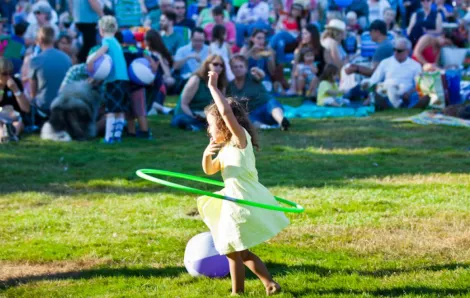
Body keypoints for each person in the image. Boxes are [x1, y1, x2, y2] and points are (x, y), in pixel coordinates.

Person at [199, 70, 289, 295]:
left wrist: (212, 87)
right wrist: (206, 155)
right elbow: (210, 171)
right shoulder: (226, 149)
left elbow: (226, 112)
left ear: (224, 124)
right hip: (235, 201)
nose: (208, 130)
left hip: (242, 201)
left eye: (211, 124)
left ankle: (237, 292)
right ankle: (269, 283)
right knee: (240, 252)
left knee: (232, 250)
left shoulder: (240, 141)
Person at [87, 16, 129, 144]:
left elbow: (103, 50)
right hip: (124, 79)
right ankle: (117, 136)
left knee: (111, 110)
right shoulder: (116, 42)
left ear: (101, 30)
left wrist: (92, 60)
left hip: (113, 80)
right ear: (115, 29)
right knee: (120, 110)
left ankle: (108, 138)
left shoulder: (107, 41)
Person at [227, 55, 290, 130]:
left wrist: (257, 70)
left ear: (246, 68)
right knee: (245, 117)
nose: (238, 69)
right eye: (235, 67)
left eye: (241, 66)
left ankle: (282, 122)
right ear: (231, 69)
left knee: (272, 103)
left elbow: (261, 76)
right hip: (252, 114)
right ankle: (266, 128)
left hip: (266, 107)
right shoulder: (230, 86)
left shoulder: (252, 76)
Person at [361, 38, 423, 109]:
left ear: (407, 51)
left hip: (405, 94)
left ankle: (399, 104)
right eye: (394, 50)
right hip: (386, 92)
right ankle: (397, 105)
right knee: (386, 88)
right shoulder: (385, 62)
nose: (396, 53)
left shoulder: (415, 65)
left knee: (418, 96)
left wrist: (409, 93)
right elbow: (374, 80)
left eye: (399, 51)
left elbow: (419, 85)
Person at [171, 55, 227, 131]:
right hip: (188, 113)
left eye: (221, 65)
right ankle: (202, 126)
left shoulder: (221, 84)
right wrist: (194, 116)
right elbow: (183, 104)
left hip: (207, 115)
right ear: (207, 65)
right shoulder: (196, 79)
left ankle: (199, 126)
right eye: (215, 64)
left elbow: (220, 106)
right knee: (183, 120)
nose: (219, 67)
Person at [29, 26, 71, 123]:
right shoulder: (66, 58)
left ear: (39, 40)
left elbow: (33, 93)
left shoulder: (35, 60)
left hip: (44, 108)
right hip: (63, 105)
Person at [144, 29, 175, 116]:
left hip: (157, 84)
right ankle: (163, 109)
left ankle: (160, 108)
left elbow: (167, 73)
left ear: (149, 42)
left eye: (145, 40)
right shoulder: (144, 53)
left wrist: (159, 77)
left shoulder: (158, 55)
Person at [0, 57, 29, 136]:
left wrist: (16, 90)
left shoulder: (15, 82)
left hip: (14, 117)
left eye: (10, 73)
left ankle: (10, 135)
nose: (8, 77)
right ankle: (5, 135)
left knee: (18, 124)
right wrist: (1, 88)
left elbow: (26, 109)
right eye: (4, 74)